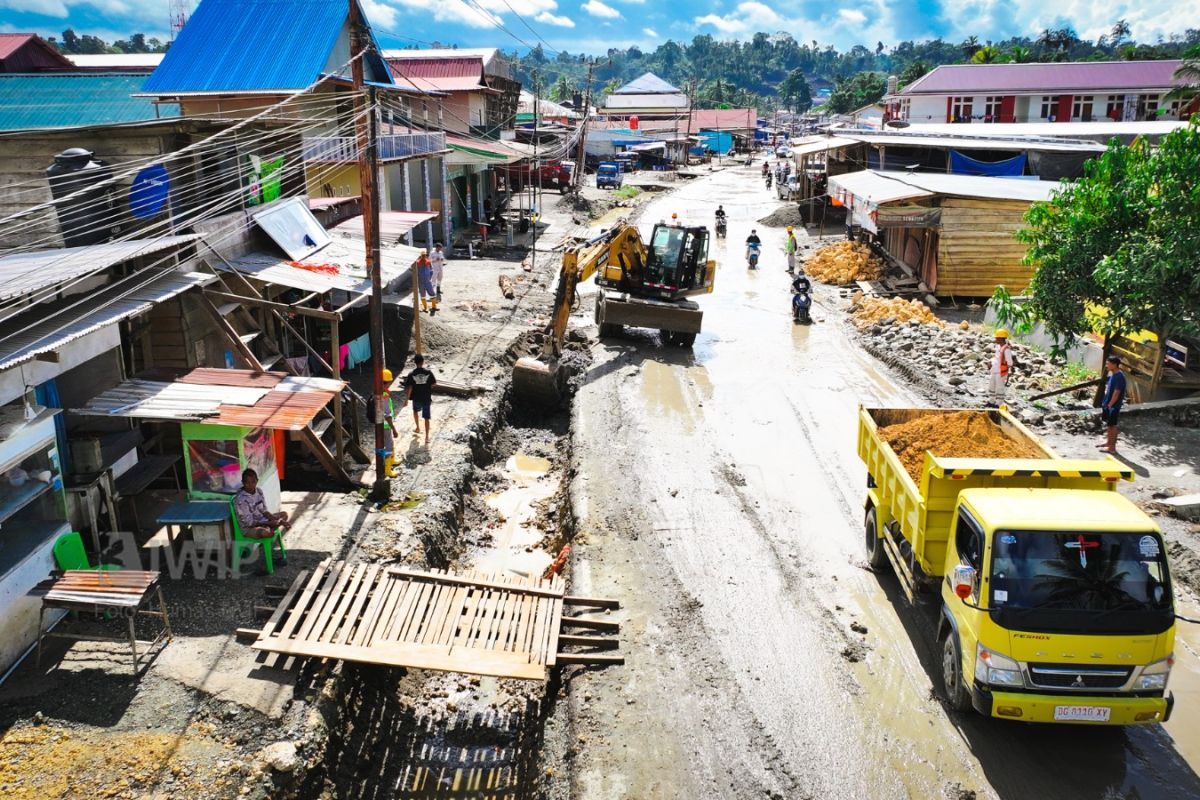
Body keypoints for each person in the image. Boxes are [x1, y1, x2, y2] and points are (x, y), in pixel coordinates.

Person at [234, 468, 290, 570]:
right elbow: (249, 522)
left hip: (262, 521)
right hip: (249, 528)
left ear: (257, 481)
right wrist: (270, 523)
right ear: (243, 483)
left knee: (284, 514)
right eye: (247, 483)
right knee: (267, 533)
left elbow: (264, 511)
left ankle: (272, 527)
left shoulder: (258, 491)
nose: (250, 485)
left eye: (253, 482)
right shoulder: (240, 499)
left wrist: (275, 519)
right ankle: (271, 529)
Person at [402, 354, 437, 446]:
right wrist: (427, 385)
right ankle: (427, 437)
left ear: (415, 362)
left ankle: (417, 428)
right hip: (426, 398)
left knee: (415, 411)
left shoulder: (411, 374)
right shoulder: (428, 372)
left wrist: (406, 400)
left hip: (416, 398)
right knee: (426, 418)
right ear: (423, 361)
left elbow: (409, 388)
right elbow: (434, 384)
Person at [1098, 355, 1126, 454]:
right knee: (1109, 425)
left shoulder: (1119, 377)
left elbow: (1117, 393)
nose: (1106, 365)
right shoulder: (1114, 374)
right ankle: (1108, 443)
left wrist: (1110, 404)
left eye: (1108, 363)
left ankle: (1112, 448)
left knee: (1112, 425)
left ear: (1114, 365)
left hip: (1113, 406)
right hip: (1108, 405)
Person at [380, 369, 399, 477]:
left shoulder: (381, 392)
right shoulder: (384, 396)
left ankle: (392, 461)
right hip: (385, 425)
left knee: (390, 443)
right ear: (385, 382)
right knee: (387, 446)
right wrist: (394, 429)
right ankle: (388, 470)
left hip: (384, 425)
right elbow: (387, 415)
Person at [989, 328, 1014, 404]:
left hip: (1001, 372)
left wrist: (1007, 366)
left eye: (997, 337)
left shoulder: (1006, 349)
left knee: (999, 388)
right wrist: (991, 362)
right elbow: (996, 358)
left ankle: (999, 404)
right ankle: (991, 401)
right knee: (992, 386)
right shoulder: (999, 347)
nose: (995, 339)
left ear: (1001, 338)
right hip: (995, 370)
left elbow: (1010, 362)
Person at [414, 250, 437, 314]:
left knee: (432, 294)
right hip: (421, 282)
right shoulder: (417, 263)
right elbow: (414, 271)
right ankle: (425, 308)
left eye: (425, 255)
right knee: (423, 295)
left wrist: (429, 278)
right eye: (422, 255)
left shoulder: (428, 262)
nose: (424, 256)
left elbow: (431, 270)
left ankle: (434, 307)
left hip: (428, 282)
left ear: (426, 255)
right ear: (421, 256)